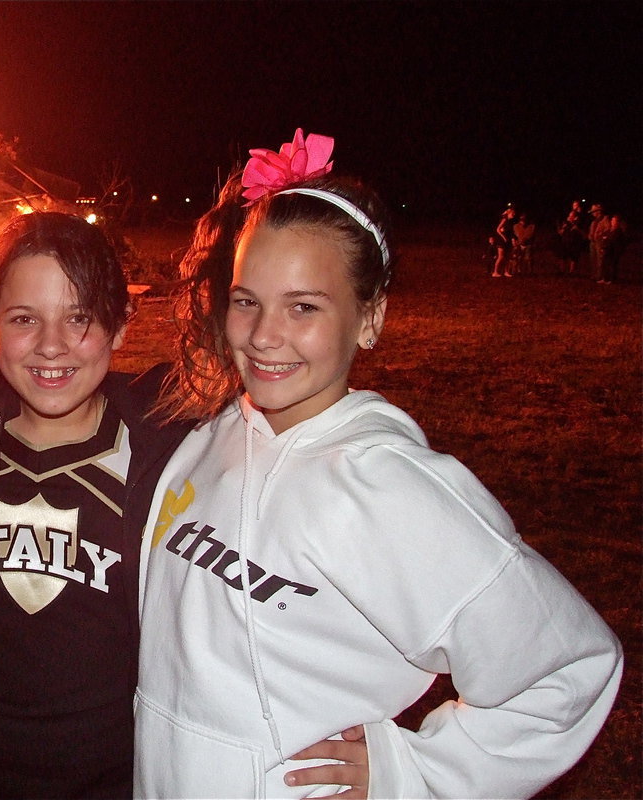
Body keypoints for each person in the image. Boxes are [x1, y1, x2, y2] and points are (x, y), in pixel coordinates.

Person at [134, 130, 623, 799]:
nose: (264, 333)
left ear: (370, 317)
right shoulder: (207, 441)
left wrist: (410, 771)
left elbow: (568, 668)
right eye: (247, 301)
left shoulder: (384, 485)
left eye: (304, 306)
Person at [0, 211, 367, 798]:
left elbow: (255, 364)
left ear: (122, 325)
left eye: (80, 318)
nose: (52, 346)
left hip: (120, 776)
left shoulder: (168, 439)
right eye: (25, 319)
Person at [557, 200, 587, 274]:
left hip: (575, 240)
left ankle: (572, 271)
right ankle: (562, 270)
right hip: (566, 239)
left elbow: (582, 228)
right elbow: (562, 229)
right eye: (574, 205)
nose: (575, 207)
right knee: (563, 256)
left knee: (574, 256)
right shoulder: (568, 219)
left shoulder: (581, 216)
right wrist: (562, 229)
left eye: (576, 205)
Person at [588, 202, 612, 282]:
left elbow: (608, 230)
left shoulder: (605, 219)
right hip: (593, 242)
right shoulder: (594, 222)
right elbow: (591, 231)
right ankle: (594, 275)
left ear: (598, 211)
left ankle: (600, 276)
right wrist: (590, 236)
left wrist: (601, 236)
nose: (592, 214)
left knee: (600, 260)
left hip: (600, 242)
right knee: (593, 259)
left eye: (594, 212)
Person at [490, 205, 516, 277]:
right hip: (501, 241)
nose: (514, 215)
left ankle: (506, 272)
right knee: (501, 257)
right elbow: (498, 229)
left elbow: (510, 232)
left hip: (507, 241)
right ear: (509, 213)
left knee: (507, 257)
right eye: (513, 213)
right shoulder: (504, 220)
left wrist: (512, 239)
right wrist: (503, 237)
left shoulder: (510, 222)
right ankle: (495, 272)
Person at [512, 210, 536, 274]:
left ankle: (530, 271)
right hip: (519, 244)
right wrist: (514, 242)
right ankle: (517, 270)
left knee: (528, 258)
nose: (523, 221)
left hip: (528, 244)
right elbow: (514, 235)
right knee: (518, 258)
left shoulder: (531, 227)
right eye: (521, 219)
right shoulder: (516, 226)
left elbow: (533, 236)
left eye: (524, 219)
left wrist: (533, 243)